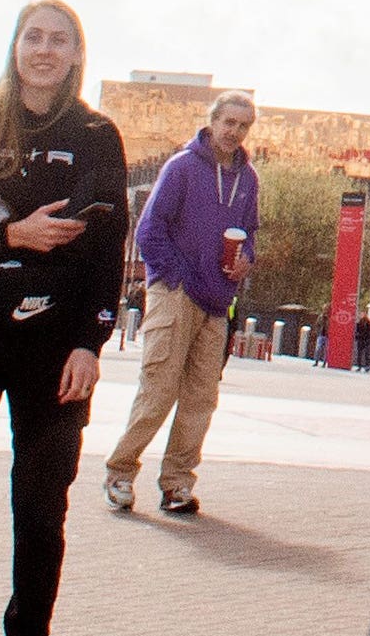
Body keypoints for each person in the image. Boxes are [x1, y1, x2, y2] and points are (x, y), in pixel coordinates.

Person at [0, 0, 128, 636]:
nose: (45, 50)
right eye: (34, 37)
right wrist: (8, 237)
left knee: (42, 512)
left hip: (55, 350)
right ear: (15, 46)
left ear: (77, 53)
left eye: (60, 40)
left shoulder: (98, 136)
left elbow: (110, 250)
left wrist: (91, 343)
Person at [101, 86, 255, 516]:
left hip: (217, 300)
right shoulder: (182, 167)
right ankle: (119, 473)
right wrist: (176, 279)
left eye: (243, 126)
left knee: (201, 398)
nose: (235, 132)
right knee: (159, 390)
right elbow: (149, 231)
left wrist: (246, 262)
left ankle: (176, 484)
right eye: (229, 122)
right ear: (212, 121)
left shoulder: (249, 178)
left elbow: (251, 234)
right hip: (175, 294)